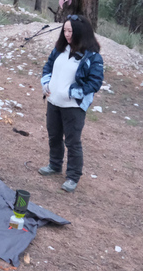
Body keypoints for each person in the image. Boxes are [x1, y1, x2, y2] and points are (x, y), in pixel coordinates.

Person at [39, 14, 103, 193]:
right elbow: (48, 67)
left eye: (71, 31)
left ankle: (73, 177)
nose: (67, 34)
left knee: (73, 142)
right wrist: (46, 83)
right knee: (53, 136)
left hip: (73, 108)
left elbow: (94, 83)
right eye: (65, 30)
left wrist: (71, 93)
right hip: (53, 102)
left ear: (81, 32)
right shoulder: (59, 49)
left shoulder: (92, 57)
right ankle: (54, 165)